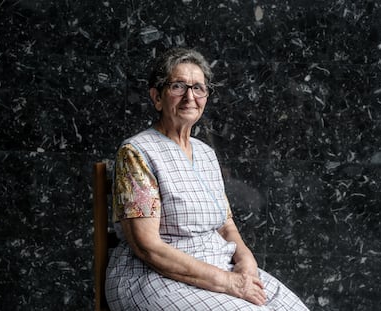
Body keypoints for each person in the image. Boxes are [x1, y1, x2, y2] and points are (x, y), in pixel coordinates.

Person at [105, 47, 309, 310]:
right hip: (152, 276)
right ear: (157, 97)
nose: (190, 96)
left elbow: (226, 226)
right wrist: (229, 283)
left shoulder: (205, 153)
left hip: (216, 264)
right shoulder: (137, 153)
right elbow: (148, 249)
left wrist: (246, 261)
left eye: (199, 88)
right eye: (178, 86)